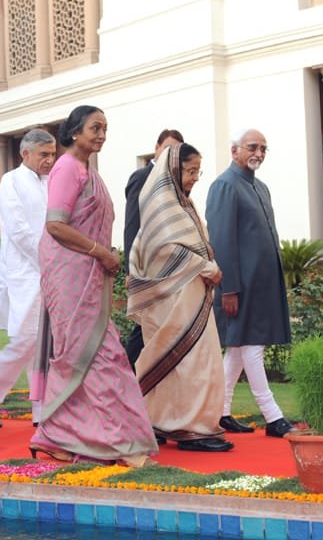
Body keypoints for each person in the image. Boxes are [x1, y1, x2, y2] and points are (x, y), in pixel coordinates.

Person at [30, 105, 157, 467]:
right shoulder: (68, 167)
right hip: (71, 275)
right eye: (94, 128)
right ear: (74, 133)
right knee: (96, 355)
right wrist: (100, 252)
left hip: (88, 272)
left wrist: (103, 256)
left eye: (105, 129)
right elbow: (56, 224)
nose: (101, 135)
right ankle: (120, 444)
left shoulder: (88, 170)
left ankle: (59, 436)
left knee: (93, 355)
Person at [128, 143, 233, 452]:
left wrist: (207, 266)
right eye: (190, 171)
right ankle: (189, 428)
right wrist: (204, 266)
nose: (195, 177)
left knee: (199, 362)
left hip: (192, 296)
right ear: (174, 170)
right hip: (173, 301)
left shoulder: (183, 203)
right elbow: (165, 251)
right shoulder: (162, 204)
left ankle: (167, 421)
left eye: (198, 171)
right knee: (186, 362)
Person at [205, 129, 294, 438]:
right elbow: (221, 241)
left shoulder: (261, 188)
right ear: (234, 151)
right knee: (252, 349)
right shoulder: (224, 186)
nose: (259, 153)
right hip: (238, 287)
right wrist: (228, 288)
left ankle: (221, 412)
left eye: (263, 149)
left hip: (261, 285)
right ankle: (273, 417)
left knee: (239, 351)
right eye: (253, 147)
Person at [0, 129, 56, 428]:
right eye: (43, 154)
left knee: (46, 347)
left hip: (52, 273)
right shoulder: (11, 181)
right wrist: (48, 260)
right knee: (26, 340)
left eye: (52, 154)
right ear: (25, 154)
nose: (50, 160)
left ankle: (42, 414)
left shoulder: (51, 182)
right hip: (26, 274)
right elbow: (19, 231)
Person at [122, 129, 184, 369]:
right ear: (156, 148)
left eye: (176, 150)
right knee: (144, 325)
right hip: (145, 266)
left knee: (161, 325)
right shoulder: (142, 176)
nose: (170, 154)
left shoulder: (174, 181)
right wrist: (132, 269)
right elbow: (132, 224)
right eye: (167, 148)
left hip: (169, 268)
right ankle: (123, 376)